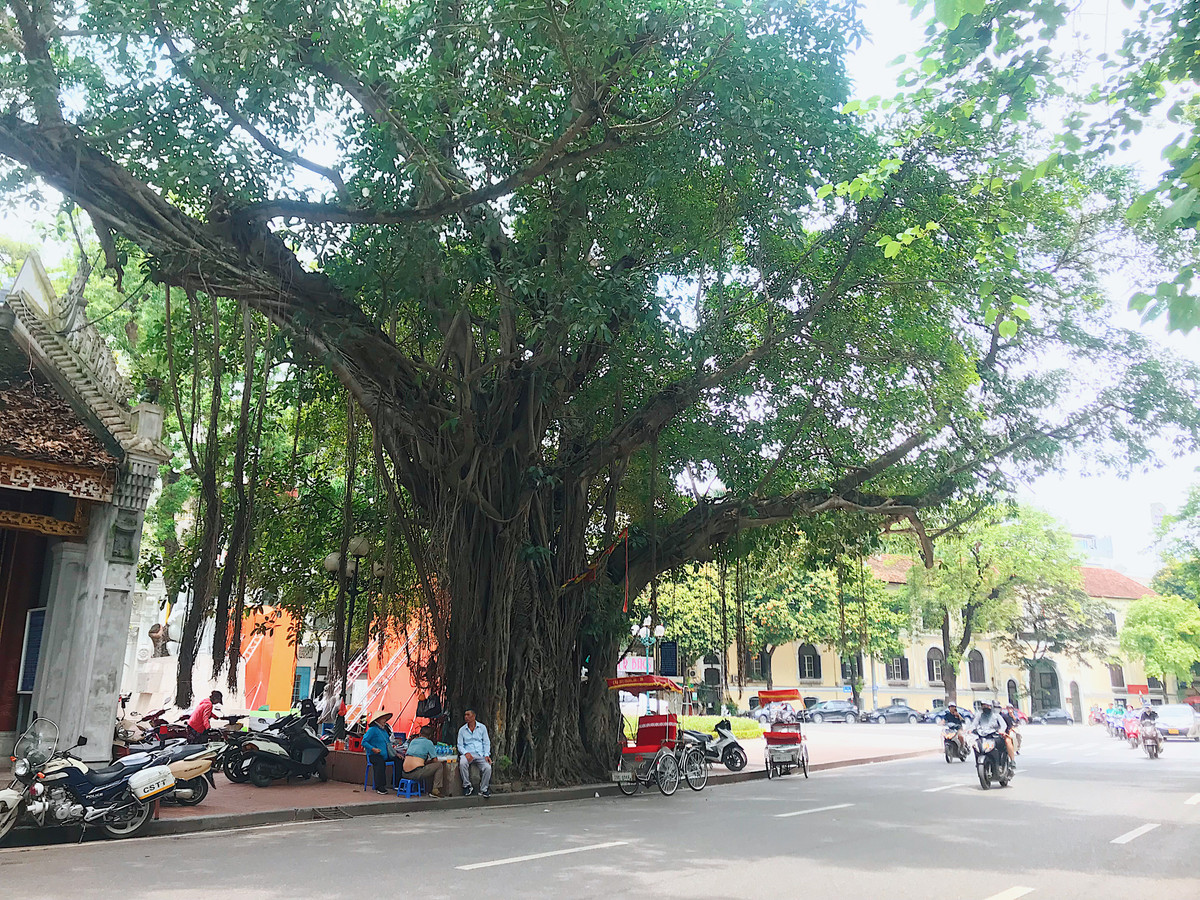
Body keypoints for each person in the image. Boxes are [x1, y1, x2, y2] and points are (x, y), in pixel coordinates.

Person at [403, 725, 450, 798]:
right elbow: (435, 760)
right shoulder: (428, 743)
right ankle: (435, 789)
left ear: (420, 734)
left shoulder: (413, 741)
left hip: (404, 773)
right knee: (439, 766)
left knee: (426, 766)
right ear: (430, 735)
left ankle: (427, 789)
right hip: (416, 773)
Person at [457, 707, 492, 798]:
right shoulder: (462, 730)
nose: (466, 717)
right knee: (462, 762)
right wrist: (465, 753)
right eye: (465, 715)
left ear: (474, 716)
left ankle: (484, 789)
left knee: (487, 767)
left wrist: (487, 754)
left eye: (468, 715)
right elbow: (460, 745)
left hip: (480, 754)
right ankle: (467, 786)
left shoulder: (482, 728)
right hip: (468, 753)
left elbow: (486, 742)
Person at [362, 710, 399, 794]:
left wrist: (395, 754)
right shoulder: (372, 730)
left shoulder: (384, 731)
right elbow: (364, 742)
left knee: (398, 760)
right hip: (374, 755)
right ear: (378, 720)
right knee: (380, 763)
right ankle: (380, 786)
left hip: (385, 755)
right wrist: (373, 749)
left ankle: (396, 783)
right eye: (383, 719)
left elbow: (388, 743)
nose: (385, 721)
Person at [972, 700, 1012, 766]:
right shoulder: (979, 716)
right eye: (984, 706)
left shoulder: (996, 715)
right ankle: (978, 763)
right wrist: (971, 730)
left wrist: (1001, 731)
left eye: (988, 706)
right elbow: (974, 725)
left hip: (994, 736)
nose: (986, 707)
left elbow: (1003, 725)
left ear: (991, 707)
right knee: (975, 746)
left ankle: (1000, 763)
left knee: (1001, 746)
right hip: (983, 737)